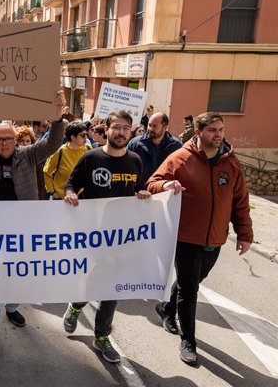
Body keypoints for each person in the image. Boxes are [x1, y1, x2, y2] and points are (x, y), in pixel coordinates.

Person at [0, 90, 66, 354]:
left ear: (15, 140)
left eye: (8, 139)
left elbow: (53, 144)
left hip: (22, 231)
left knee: (17, 274)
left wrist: (59, 116)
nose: (4, 143)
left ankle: (13, 307)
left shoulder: (28, 155)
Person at [147, 112, 253, 365]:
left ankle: (166, 308)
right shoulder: (180, 159)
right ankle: (188, 341)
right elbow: (153, 182)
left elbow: (240, 202)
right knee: (189, 289)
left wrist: (244, 234)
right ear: (198, 133)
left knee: (193, 281)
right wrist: (165, 186)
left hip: (215, 239)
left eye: (221, 129)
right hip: (186, 237)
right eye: (212, 130)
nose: (218, 135)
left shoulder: (231, 162)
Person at [63, 110, 152, 364]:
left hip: (121, 237)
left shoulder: (135, 160)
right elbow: (71, 183)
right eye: (116, 127)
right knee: (92, 278)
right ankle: (76, 305)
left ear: (131, 131)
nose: (121, 132)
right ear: (106, 130)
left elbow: (139, 189)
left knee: (112, 286)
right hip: (91, 234)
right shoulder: (90, 158)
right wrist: (70, 194)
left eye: (126, 128)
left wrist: (143, 194)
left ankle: (102, 336)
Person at [127, 112, 182, 182]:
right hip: (140, 191)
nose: (150, 129)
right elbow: (126, 167)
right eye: (149, 125)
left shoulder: (176, 146)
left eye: (155, 126)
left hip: (164, 190)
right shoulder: (135, 143)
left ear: (165, 128)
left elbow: (180, 171)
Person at [43, 121, 91, 199]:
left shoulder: (88, 149)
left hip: (82, 198)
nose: (86, 138)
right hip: (62, 198)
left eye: (86, 134)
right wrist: (53, 192)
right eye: (83, 135)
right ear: (73, 137)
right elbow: (46, 172)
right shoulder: (60, 151)